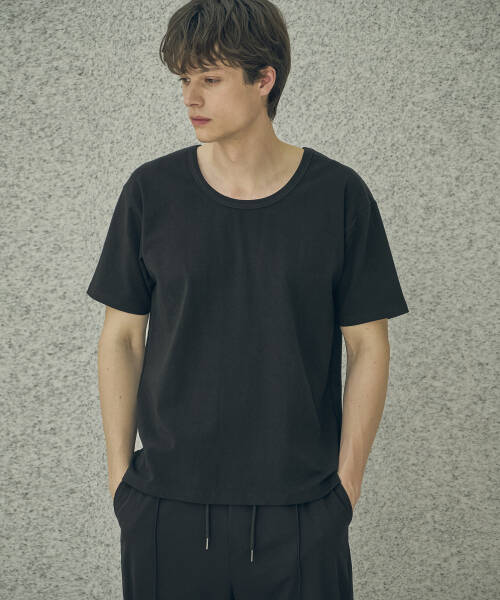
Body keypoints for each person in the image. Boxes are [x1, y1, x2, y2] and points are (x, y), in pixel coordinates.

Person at [86, 1, 409, 598]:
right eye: (184, 80)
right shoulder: (151, 192)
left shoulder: (339, 195)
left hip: (302, 512)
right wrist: (121, 484)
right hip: (166, 510)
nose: (190, 98)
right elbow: (122, 338)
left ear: (264, 79)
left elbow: (368, 345)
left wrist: (345, 489)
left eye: (210, 79)